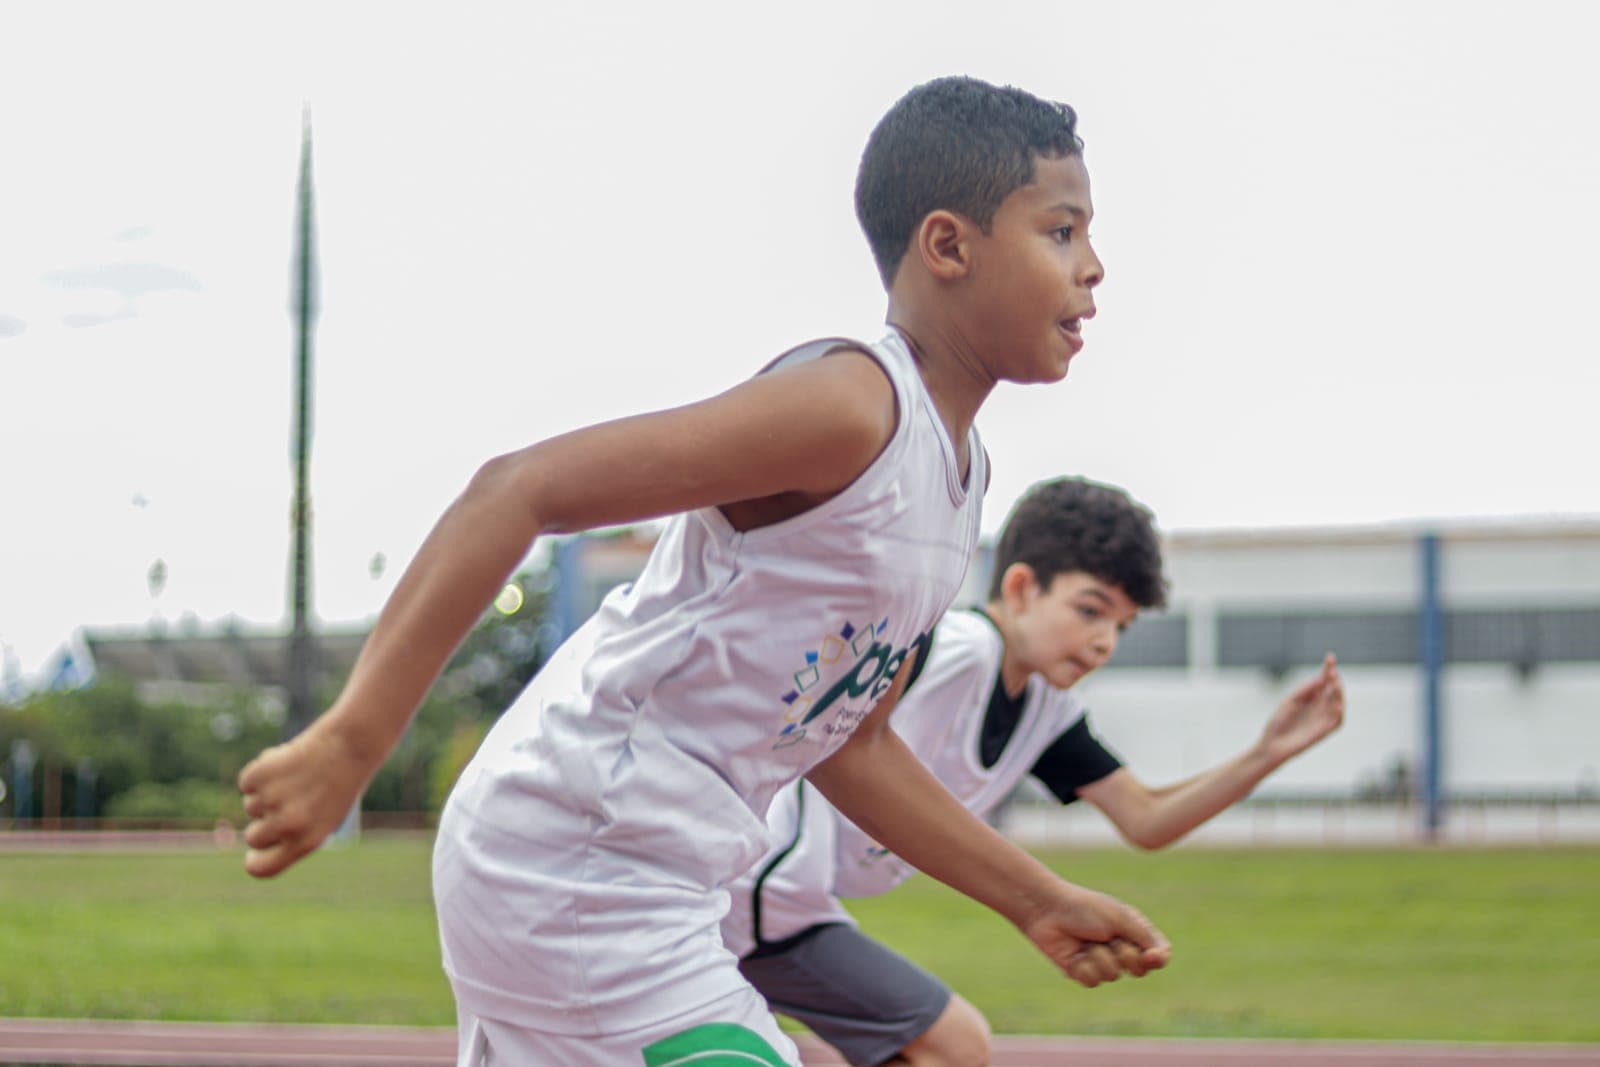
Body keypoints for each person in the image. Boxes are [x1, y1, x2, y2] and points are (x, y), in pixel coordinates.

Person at [237, 77, 1170, 1067]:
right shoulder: (852, 406)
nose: (1093, 267)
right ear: (947, 245)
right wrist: (352, 738)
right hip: (576, 856)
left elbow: (851, 744)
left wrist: (1035, 899)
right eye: (1061, 231)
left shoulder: (958, 486)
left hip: (653, 878)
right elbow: (518, 488)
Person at [725, 475, 1347, 1067]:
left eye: (1121, 626)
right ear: (1021, 588)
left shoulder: (1046, 709)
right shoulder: (950, 647)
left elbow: (1147, 819)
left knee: (933, 1043)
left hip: (786, 905)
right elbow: (839, 739)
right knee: (951, 1043)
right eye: (1090, 611)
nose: (1105, 642)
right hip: (756, 888)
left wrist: (1268, 753)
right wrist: (1040, 901)